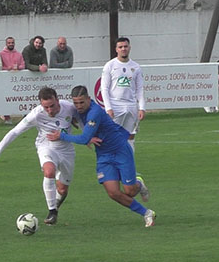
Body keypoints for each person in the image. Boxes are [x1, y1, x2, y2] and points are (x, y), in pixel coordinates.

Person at [47, 85, 155, 227]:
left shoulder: (95, 112)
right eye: (76, 103)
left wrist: (62, 136)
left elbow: (85, 138)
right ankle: (147, 213)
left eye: (81, 102)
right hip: (103, 155)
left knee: (130, 191)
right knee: (113, 193)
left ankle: (138, 184)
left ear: (89, 99)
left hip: (120, 150)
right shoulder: (76, 110)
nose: (78, 106)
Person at [0, 87, 79, 225]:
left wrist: (89, 136)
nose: (49, 110)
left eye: (52, 106)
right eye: (45, 107)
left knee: (63, 189)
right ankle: (52, 211)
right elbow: (15, 132)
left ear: (58, 100)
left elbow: (82, 122)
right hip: (46, 146)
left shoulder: (69, 108)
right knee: (49, 171)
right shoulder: (36, 114)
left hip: (67, 151)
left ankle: (55, 205)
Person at [100, 37, 145, 152]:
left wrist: (142, 107)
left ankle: (129, 164)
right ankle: (112, 164)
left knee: (130, 136)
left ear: (129, 48)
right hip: (115, 105)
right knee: (112, 135)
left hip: (131, 105)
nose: (123, 49)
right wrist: (108, 108)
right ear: (116, 49)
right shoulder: (110, 66)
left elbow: (140, 89)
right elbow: (104, 88)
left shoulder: (136, 67)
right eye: (120, 47)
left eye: (125, 46)